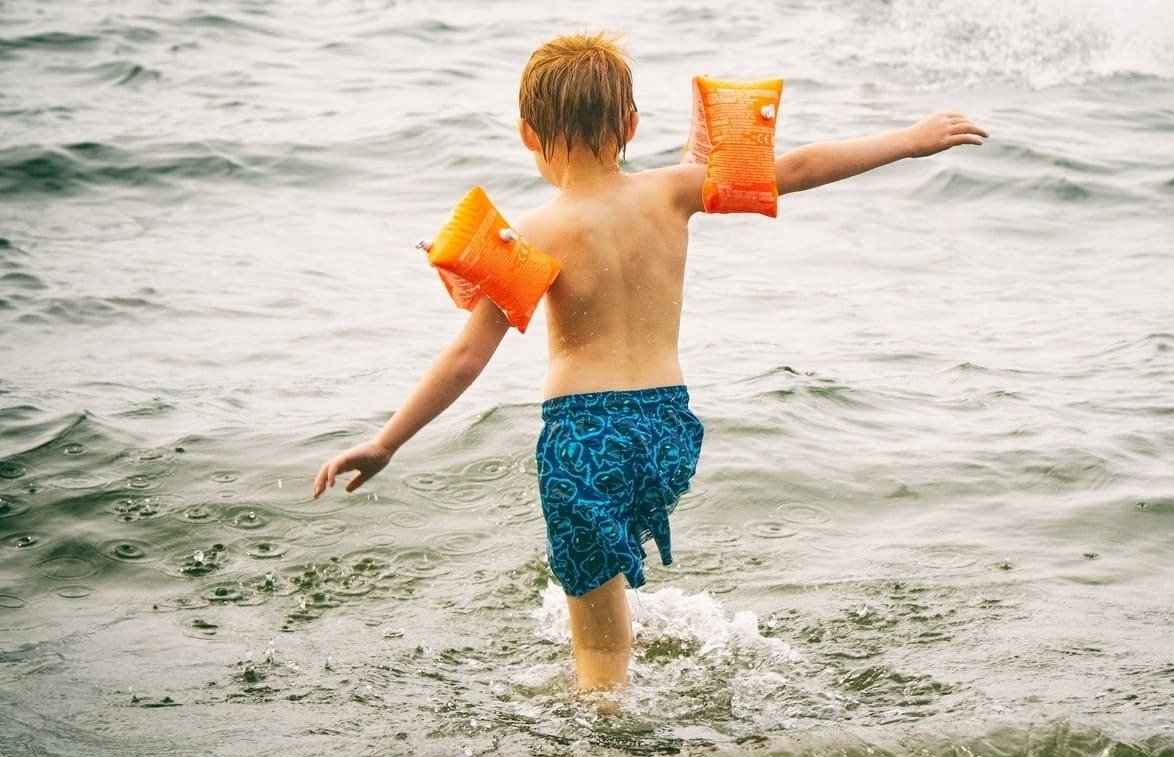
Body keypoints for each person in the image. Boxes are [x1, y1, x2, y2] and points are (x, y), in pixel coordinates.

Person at [312, 32, 988, 693]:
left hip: (584, 437)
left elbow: (466, 357)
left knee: (598, 660)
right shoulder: (673, 191)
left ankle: (604, 742)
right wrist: (911, 138)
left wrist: (386, 440)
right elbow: (799, 168)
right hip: (667, 432)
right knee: (611, 601)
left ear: (526, 134)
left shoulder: (536, 232)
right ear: (632, 123)